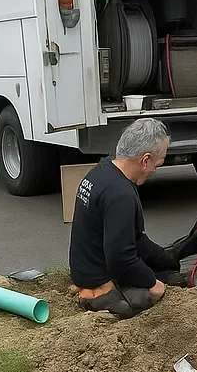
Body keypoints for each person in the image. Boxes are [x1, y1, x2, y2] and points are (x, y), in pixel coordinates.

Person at [70, 118, 186, 318]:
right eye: (156, 165)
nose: (154, 171)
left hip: (83, 269)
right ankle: (95, 299)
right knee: (155, 294)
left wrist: (166, 258)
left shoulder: (102, 171)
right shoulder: (120, 194)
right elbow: (121, 258)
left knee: (166, 275)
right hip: (98, 280)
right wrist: (153, 284)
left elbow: (136, 238)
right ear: (145, 160)